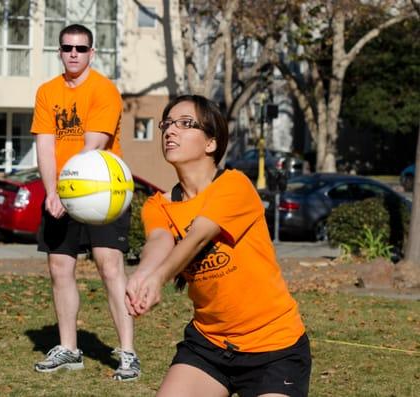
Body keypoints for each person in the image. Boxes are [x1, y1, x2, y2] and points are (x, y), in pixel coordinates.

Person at [125, 95, 311, 396]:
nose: (171, 131)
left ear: (211, 143)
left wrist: (159, 278)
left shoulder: (234, 185)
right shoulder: (157, 204)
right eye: (167, 124)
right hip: (209, 345)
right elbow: (159, 241)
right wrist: (144, 274)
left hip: (275, 348)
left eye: (185, 124)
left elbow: (198, 234)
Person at [30, 24, 140, 381]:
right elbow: (45, 145)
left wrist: (63, 192)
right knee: (60, 269)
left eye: (81, 48)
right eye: (67, 47)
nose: (74, 53)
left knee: (110, 268)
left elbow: (92, 145)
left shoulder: (104, 90)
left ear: (92, 52)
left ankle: (128, 353)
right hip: (61, 193)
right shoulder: (47, 92)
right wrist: (51, 192)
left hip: (102, 193)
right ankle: (69, 349)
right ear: (59, 52)